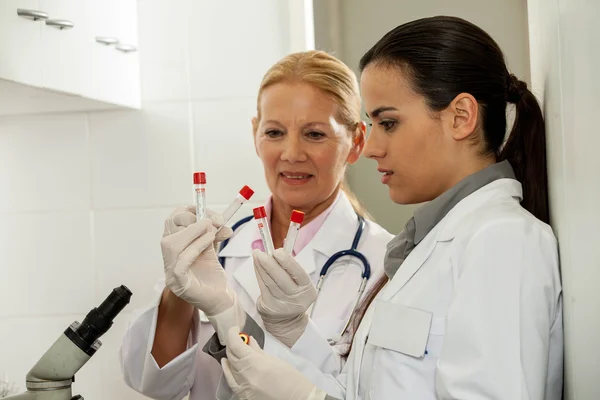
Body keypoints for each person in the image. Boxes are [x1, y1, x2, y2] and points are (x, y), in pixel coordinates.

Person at [207, 16, 564, 400]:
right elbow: (366, 389)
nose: (373, 148)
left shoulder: (502, 240)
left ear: (461, 117)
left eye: (388, 123)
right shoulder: (435, 243)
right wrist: (282, 329)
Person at [119, 50, 394, 400]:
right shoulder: (216, 249)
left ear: (356, 142)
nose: (292, 153)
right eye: (275, 132)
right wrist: (179, 287)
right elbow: (153, 384)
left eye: (314, 134)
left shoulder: (386, 264)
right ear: (255, 134)